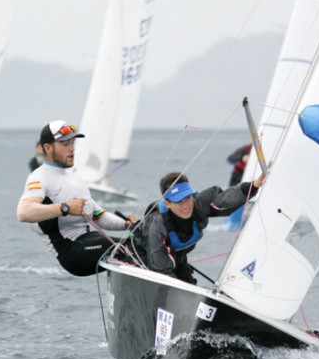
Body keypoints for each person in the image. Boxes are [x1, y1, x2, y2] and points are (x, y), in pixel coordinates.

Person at [17, 119, 139, 276]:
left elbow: (97, 215)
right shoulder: (39, 177)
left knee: (141, 243)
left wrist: (126, 224)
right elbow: (23, 213)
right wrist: (65, 208)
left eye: (73, 143)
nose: (72, 149)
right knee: (130, 248)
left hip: (89, 240)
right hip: (71, 252)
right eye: (65, 144)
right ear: (48, 148)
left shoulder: (75, 178)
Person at [139, 170, 264, 284]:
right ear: (167, 203)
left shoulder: (197, 203)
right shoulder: (157, 224)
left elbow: (225, 199)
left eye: (187, 198)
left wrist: (254, 185)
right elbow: (160, 270)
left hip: (177, 259)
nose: (186, 205)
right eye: (178, 201)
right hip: (146, 260)